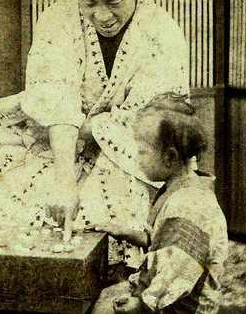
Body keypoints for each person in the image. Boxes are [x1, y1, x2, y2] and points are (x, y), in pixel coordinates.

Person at [0, 0, 189, 270]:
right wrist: (64, 177)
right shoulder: (57, 17)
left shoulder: (164, 32)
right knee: (15, 192)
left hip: (131, 150)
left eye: (114, 2)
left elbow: (150, 116)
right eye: (89, 2)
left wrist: (89, 130)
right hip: (57, 138)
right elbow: (55, 95)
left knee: (113, 208)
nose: (101, 15)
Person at [92, 93, 228, 313]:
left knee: (96, 308)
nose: (137, 158)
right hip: (167, 291)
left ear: (169, 156)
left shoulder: (187, 207)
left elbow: (177, 275)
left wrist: (141, 303)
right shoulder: (178, 188)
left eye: (143, 152)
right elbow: (164, 241)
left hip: (181, 306)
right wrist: (124, 232)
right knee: (97, 299)